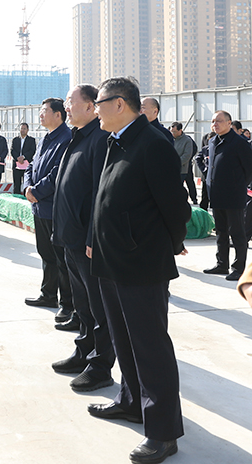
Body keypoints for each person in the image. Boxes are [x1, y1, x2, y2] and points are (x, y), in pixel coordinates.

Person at [88, 77, 191, 464]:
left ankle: (163, 433)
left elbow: (176, 208)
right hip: (112, 260)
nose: (96, 110)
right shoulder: (116, 141)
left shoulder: (152, 144)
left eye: (99, 103)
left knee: (150, 349)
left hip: (141, 264)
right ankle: (132, 402)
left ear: (120, 104)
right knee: (124, 340)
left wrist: (164, 245)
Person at [50, 84, 115, 392]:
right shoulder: (77, 137)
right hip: (70, 237)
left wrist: (92, 237)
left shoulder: (99, 139)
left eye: (71, 102)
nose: (67, 106)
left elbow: (100, 194)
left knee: (99, 307)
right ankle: (83, 352)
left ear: (90, 107)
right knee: (83, 304)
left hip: (86, 241)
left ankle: (101, 366)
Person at [23, 98, 74, 324]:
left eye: (44, 111)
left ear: (58, 115)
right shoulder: (45, 138)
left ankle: (67, 304)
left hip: (54, 208)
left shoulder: (66, 138)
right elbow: (31, 166)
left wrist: (37, 191)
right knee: (46, 254)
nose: (41, 115)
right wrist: (27, 187)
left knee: (61, 259)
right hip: (39, 206)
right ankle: (48, 294)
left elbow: (58, 173)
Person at [203, 111, 252, 281]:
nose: (215, 124)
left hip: (233, 196)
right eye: (213, 121)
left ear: (229, 123)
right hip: (216, 195)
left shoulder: (239, 143)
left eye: (219, 121)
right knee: (221, 232)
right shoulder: (212, 142)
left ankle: (238, 268)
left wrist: (238, 185)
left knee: (237, 233)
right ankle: (222, 264)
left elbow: (249, 169)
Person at [169, 122, 198, 204]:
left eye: (174, 132)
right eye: (171, 131)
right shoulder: (170, 139)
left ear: (180, 130)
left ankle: (193, 198)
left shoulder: (187, 140)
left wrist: (176, 163)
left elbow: (187, 155)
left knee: (189, 183)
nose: (173, 133)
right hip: (172, 168)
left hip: (184, 167)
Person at [11, 122, 36, 195]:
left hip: (27, 165)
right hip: (17, 165)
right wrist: (18, 158)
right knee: (16, 184)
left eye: (24, 129)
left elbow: (32, 150)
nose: (23, 130)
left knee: (26, 184)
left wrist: (23, 157)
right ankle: (16, 199)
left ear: (27, 130)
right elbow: (12, 150)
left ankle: (26, 199)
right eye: (21, 128)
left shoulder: (31, 140)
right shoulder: (15, 139)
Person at [194, 132, 215, 210]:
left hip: (217, 178)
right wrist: (204, 169)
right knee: (205, 197)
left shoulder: (221, 149)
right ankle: (203, 213)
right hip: (206, 176)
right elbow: (198, 159)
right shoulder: (205, 149)